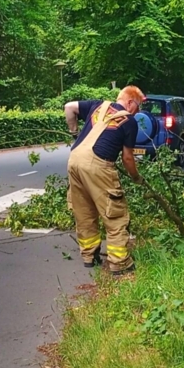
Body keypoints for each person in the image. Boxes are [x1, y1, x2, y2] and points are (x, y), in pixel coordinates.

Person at [64, 86, 145, 275]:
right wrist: (136, 177)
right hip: (98, 165)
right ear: (131, 102)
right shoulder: (129, 121)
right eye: (138, 106)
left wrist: (74, 132)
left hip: (74, 160)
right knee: (114, 213)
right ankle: (119, 262)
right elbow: (127, 158)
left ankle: (89, 256)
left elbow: (69, 107)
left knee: (84, 210)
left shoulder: (97, 105)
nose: (138, 111)